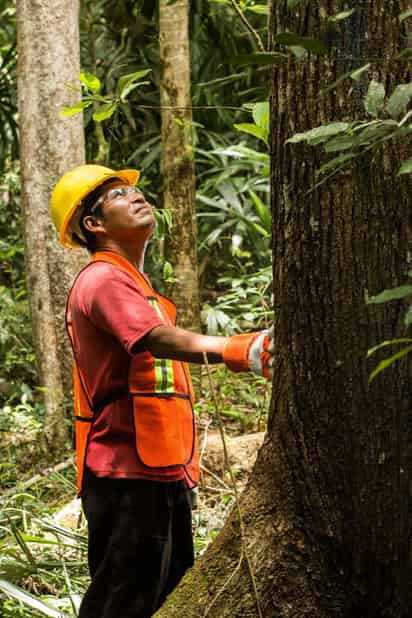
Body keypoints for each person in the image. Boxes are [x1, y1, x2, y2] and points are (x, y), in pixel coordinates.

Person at [50, 164, 273, 618]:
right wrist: (241, 350)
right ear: (93, 224)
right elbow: (157, 338)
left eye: (134, 188)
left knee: (167, 595)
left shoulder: (133, 282)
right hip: (125, 472)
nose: (135, 196)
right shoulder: (102, 279)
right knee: (123, 601)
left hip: (162, 467)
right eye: (117, 196)